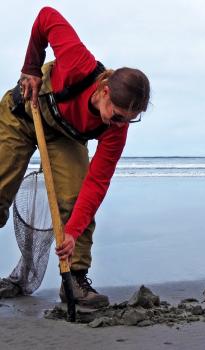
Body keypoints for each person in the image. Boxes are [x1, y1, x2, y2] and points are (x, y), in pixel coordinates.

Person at [0, 7, 150, 307]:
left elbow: (96, 184)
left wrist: (71, 232)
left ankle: (76, 280)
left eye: (130, 120)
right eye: (118, 116)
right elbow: (46, 16)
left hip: (63, 135)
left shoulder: (115, 131)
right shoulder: (78, 63)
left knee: (77, 200)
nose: (120, 125)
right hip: (21, 114)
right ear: (105, 91)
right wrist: (31, 67)